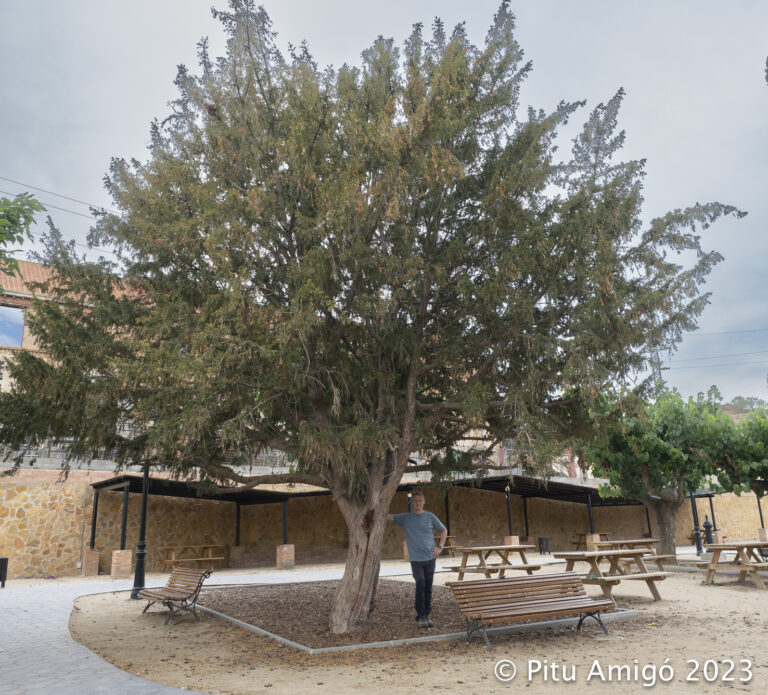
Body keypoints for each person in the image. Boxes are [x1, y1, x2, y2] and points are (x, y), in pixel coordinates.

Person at [387, 489, 447, 628]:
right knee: (420, 583)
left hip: (430, 558)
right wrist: (377, 510)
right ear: (411, 503)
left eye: (420, 501)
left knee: (428, 587)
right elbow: (390, 517)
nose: (418, 503)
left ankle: (427, 615)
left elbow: (443, 530)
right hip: (416, 561)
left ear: (424, 502)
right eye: (415, 501)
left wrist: (440, 547)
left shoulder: (430, 516)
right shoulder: (406, 518)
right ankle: (420, 616)